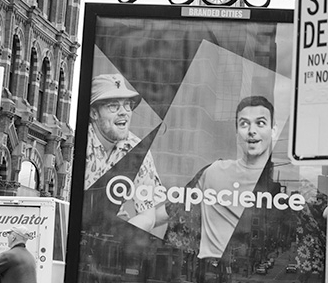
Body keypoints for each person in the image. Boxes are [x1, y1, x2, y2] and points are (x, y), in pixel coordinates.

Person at [163, 95, 277, 281]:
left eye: (260, 123)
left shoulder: (275, 192)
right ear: (236, 132)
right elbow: (169, 210)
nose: (251, 131)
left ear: (273, 131)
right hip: (206, 271)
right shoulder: (214, 171)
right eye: (244, 124)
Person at [85, 73, 164, 232]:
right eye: (113, 106)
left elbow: (148, 216)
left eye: (127, 104)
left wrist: (116, 238)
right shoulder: (77, 144)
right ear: (94, 113)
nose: (124, 112)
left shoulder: (137, 150)